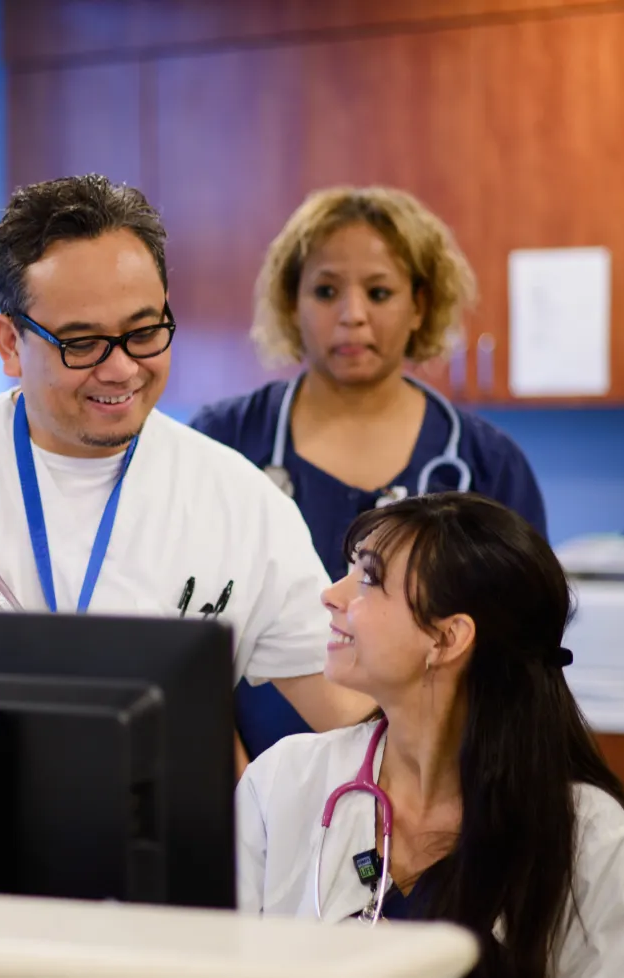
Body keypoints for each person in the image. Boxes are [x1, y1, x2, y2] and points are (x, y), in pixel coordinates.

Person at [0, 174, 372, 735]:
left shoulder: (242, 503)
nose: (122, 368)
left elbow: (348, 718)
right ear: (9, 342)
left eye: (144, 332)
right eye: (81, 343)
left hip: (154, 840)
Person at [237, 493, 624, 978]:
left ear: (446, 639)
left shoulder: (587, 835)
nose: (331, 595)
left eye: (367, 578)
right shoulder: (283, 783)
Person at [190, 186, 547, 763]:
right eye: (326, 290)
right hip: (245, 785)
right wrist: (228, 782)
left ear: (420, 305)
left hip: (437, 786)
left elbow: (520, 656)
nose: (352, 314)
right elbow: (178, 628)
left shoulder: (485, 466)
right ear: (292, 303)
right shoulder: (223, 444)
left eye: (379, 292)